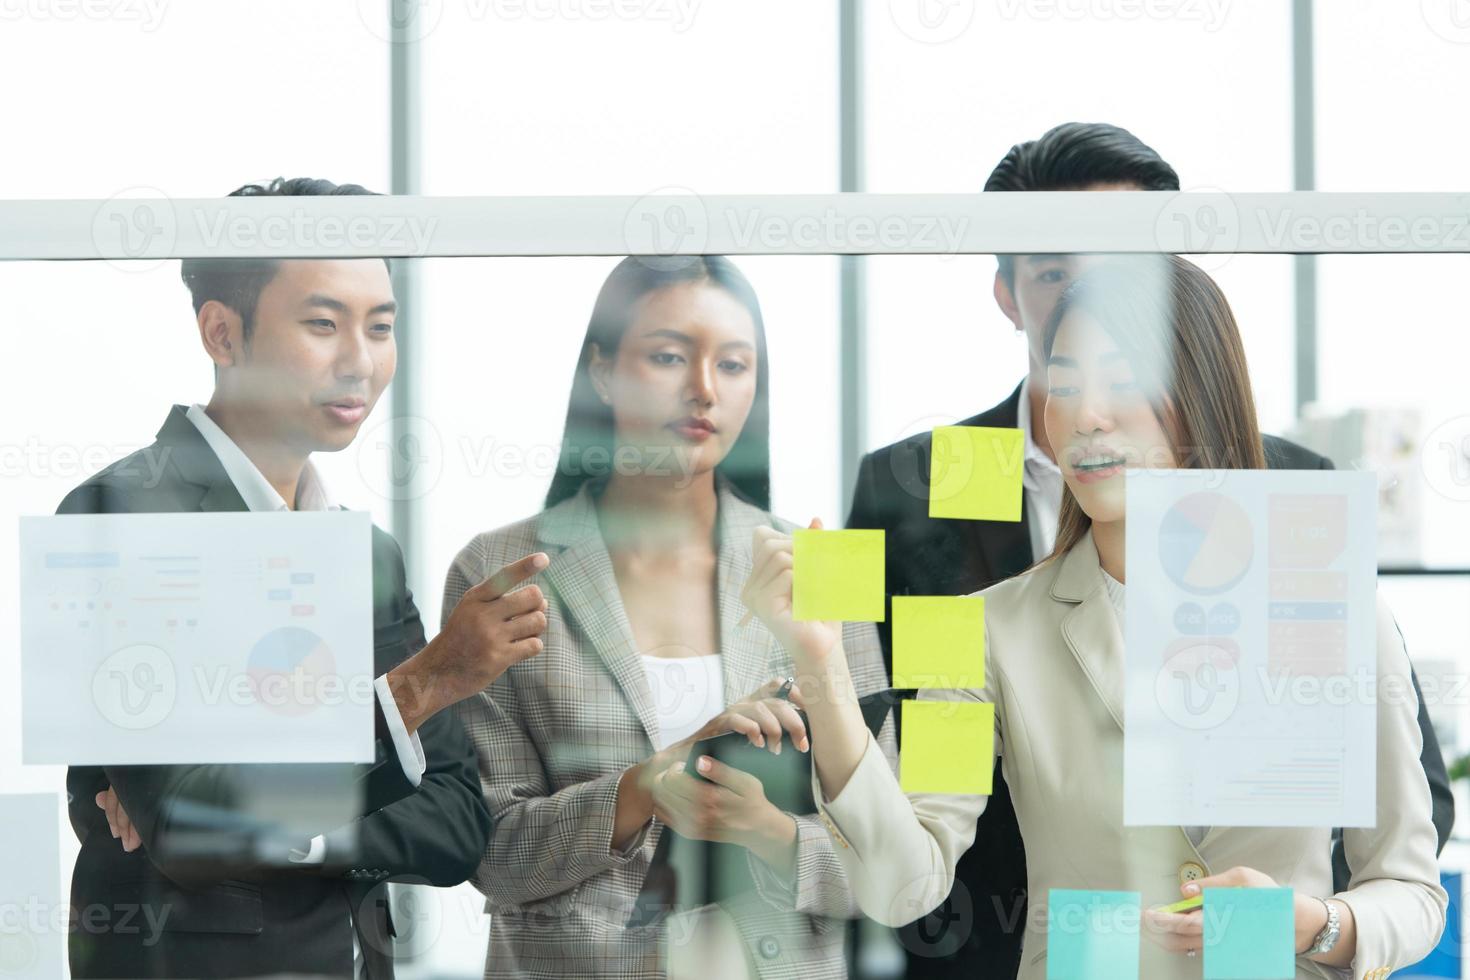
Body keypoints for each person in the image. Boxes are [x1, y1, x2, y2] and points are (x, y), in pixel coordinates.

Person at [844, 121, 1453, 977]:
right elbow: (904, 788)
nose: (1097, 288)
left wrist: (1304, 924)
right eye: (1058, 266)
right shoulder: (925, 486)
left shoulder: (1301, 520)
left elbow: (1403, 844)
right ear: (1007, 290)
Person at [62, 177, 548, 979]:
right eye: (323, 324)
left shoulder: (366, 553)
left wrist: (262, 822)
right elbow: (185, 823)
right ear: (222, 332)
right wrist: (416, 692)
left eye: (381, 327)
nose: (360, 361)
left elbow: (458, 826)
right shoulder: (126, 511)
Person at [446, 256, 896, 979]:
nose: (705, 391)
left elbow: (890, 862)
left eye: (735, 364)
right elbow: (488, 852)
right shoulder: (502, 569)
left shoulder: (821, 571)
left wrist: (774, 834)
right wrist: (644, 787)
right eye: (667, 357)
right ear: (602, 372)